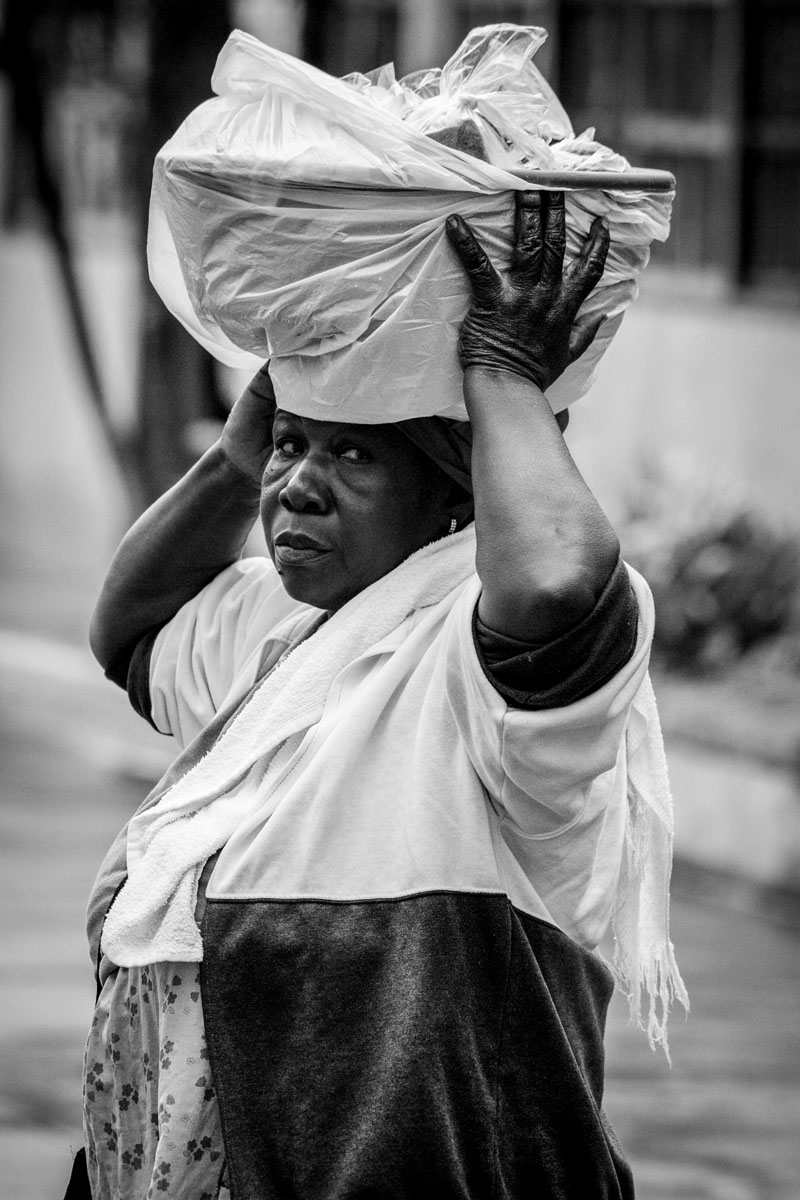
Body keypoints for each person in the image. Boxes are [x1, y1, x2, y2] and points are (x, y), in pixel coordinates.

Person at [73, 191, 685, 1200]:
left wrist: (503, 376)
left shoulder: (477, 664)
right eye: (292, 446)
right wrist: (239, 455)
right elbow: (130, 629)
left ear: (453, 496)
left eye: (353, 454)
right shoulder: (286, 635)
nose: (298, 486)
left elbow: (553, 581)